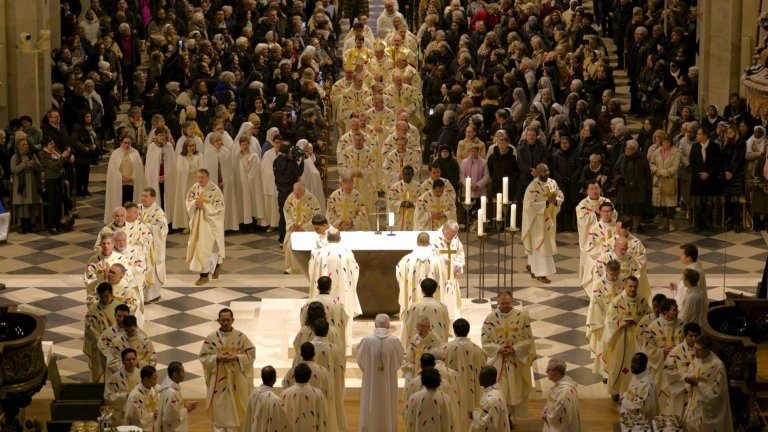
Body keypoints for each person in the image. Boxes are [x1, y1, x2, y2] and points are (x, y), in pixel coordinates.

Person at [481, 290, 536, 420]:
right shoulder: (491, 318)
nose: (505, 305)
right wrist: (499, 348)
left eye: (508, 303)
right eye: (503, 303)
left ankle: (509, 416)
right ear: (498, 302)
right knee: (501, 389)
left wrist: (515, 348)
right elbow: (485, 339)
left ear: (512, 302)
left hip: (516, 359)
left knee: (514, 390)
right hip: (499, 360)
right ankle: (501, 415)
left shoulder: (521, 316)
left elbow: (529, 338)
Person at [198, 308, 256, 432]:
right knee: (221, 407)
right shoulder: (212, 338)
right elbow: (203, 357)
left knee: (238, 405)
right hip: (219, 379)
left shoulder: (240, 336)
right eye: (223, 320)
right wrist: (217, 358)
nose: (225, 322)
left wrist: (236, 357)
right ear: (218, 320)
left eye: (228, 320)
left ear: (232, 320)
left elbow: (251, 354)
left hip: (237, 378)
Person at [602, 276, 652, 401]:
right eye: (630, 286)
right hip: (620, 338)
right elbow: (609, 321)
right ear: (625, 286)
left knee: (635, 365)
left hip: (637, 340)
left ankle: (635, 391)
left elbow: (650, 319)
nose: (633, 289)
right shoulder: (617, 301)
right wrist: (622, 323)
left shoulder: (642, 301)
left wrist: (638, 322)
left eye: (635, 286)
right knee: (617, 365)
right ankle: (616, 391)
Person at [356, 313, 404, 432]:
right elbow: (399, 361)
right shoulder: (395, 341)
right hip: (388, 380)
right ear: (388, 325)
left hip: (371, 380)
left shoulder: (366, 340)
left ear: (375, 325)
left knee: (370, 402)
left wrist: (369, 371)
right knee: (388, 402)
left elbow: (360, 361)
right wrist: (390, 370)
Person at [521, 163, 564, 283]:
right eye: (543, 171)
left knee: (543, 244)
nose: (547, 173)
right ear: (537, 173)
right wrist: (546, 202)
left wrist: (556, 200)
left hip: (549, 218)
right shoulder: (533, 186)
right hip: (537, 220)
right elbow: (529, 206)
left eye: (547, 170)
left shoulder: (552, 183)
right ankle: (541, 273)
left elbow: (560, 195)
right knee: (540, 244)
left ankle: (532, 266)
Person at [682, 336, 734, 431]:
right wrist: (688, 380)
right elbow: (690, 372)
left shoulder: (718, 366)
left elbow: (717, 393)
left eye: (699, 350)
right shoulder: (697, 359)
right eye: (694, 349)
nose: (696, 352)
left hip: (707, 408)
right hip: (693, 403)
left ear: (708, 349)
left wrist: (698, 383)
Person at [308, 229, 361, 321]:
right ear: (340, 238)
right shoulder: (346, 252)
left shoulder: (319, 253)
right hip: (342, 291)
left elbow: (312, 270)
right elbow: (355, 270)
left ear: (327, 238)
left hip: (323, 293)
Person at [445, 318, 486, 432]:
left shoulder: (445, 348)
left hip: (453, 387)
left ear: (454, 331)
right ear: (468, 330)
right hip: (472, 388)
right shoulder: (477, 350)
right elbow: (484, 368)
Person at [185, 169, 225, 286]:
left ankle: (204, 275)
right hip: (197, 222)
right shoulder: (194, 187)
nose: (200, 180)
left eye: (202, 177)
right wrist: (194, 204)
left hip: (209, 223)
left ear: (208, 178)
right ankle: (216, 265)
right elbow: (188, 200)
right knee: (200, 246)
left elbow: (219, 207)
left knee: (207, 247)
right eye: (198, 177)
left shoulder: (215, 190)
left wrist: (205, 206)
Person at [396, 232, 448, 316]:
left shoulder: (406, 260)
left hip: (412, 299)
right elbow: (444, 279)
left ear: (417, 243)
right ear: (429, 243)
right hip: (432, 303)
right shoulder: (438, 261)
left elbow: (399, 276)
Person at [585, 259, 622, 374]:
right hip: (604, 322)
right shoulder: (599, 285)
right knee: (604, 347)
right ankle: (605, 373)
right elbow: (596, 305)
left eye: (617, 274)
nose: (615, 277)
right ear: (606, 271)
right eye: (612, 274)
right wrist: (605, 321)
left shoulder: (622, 282)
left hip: (619, 322)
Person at [202, 131, 240, 232]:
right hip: (213, 183)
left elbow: (229, 169)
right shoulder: (208, 154)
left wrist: (226, 180)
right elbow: (206, 170)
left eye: (220, 140)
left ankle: (226, 225)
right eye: (217, 141)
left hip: (225, 182)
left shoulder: (226, 152)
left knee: (225, 203)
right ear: (212, 142)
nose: (219, 142)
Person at [641, 298, 683, 385]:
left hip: (678, 366)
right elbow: (647, 348)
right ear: (665, 312)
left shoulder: (682, 324)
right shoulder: (653, 327)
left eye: (677, 308)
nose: (678, 311)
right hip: (660, 366)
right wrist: (661, 352)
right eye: (674, 310)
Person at [576, 181, 612, 279]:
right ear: (587, 191)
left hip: (605, 238)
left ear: (600, 189)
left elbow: (615, 215)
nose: (595, 191)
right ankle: (588, 280)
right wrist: (596, 214)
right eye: (592, 189)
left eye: (596, 188)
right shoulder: (582, 205)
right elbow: (583, 222)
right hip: (590, 240)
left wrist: (600, 212)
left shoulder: (606, 201)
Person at [105, 135, 145, 224]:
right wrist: (121, 177)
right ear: (121, 143)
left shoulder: (135, 153)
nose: (127, 145)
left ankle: (131, 221)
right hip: (120, 184)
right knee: (121, 204)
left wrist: (132, 177)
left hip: (132, 184)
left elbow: (139, 169)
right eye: (125, 143)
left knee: (131, 204)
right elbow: (112, 170)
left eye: (129, 143)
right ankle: (120, 222)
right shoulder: (115, 154)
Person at [283, 182, 322, 274]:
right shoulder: (290, 198)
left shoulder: (312, 199)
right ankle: (292, 268)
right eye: (295, 192)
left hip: (307, 230)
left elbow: (317, 216)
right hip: (294, 229)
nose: (296, 195)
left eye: (299, 193)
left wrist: (304, 227)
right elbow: (286, 212)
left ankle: (306, 267)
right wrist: (291, 224)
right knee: (289, 244)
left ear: (304, 190)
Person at [689, 128, 723, 232]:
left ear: (705, 136)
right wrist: (701, 173)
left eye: (699, 134)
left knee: (709, 202)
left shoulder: (715, 147)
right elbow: (692, 162)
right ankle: (698, 223)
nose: (697, 136)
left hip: (711, 178)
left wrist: (708, 173)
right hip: (698, 179)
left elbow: (717, 163)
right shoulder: (695, 146)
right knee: (698, 202)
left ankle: (707, 221)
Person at [301, 277, 350, 350]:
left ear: (317, 287)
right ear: (330, 288)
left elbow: (303, 321)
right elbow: (343, 323)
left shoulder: (309, 304)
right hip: (332, 340)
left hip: (311, 343)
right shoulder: (337, 305)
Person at [38, 136, 73, 235]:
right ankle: (50, 225)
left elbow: (64, 162)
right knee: (52, 204)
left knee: (58, 203)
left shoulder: (54, 152)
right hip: (51, 181)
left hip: (58, 179)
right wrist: (62, 157)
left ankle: (58, 224)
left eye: (53, 143)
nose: (53, 145)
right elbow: (54, 166)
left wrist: (68, 154)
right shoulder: (43, 155)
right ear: (45, 146)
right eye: (50, 144)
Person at [400, 278, 450, 347]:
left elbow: (408, 326)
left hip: (417, 346)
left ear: (422, 290)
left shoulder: (414, 307)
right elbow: (446, 326)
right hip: (436, 347)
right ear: (435, 290)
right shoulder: (442, 307)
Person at [138, 188, 168, 303]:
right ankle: (140, 294)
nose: (143, 198)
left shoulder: (158, 212)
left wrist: (147, 226)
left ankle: (152, 295)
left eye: (146, 196)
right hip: (140, 246)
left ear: (153, 198)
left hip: (153, 247)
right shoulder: (138, 208)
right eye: (142, 195)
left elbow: (163, 230)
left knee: (153, 269)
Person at [10, 132, 43, 233]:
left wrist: (34, 164)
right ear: (19, 147)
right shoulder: (15, 157)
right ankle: (22, 225)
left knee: (31, 205)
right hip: (21, 186)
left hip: (32, 185)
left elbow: (40, 167)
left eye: (27, 144)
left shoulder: (32, 155)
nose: (26, 146)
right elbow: (14, 169)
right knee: (22, 205)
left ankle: (31, 224)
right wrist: (24, 164)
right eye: (23, 145)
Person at [280, 363, 328, 431]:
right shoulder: (318, 394)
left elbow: (281, 419)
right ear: (309, 376)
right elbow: (324, 413)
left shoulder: (284, 394)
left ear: (294, 376)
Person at [232, 135, 266, 231]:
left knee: (253, 202)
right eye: (243, 144)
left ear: (249, 144)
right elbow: (237, 169)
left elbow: (255, 170)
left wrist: (249, 180)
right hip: (242, 184)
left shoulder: (254, 155)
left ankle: (253, 223)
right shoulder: (238, 156)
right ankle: (245, 222)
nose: (245, 146)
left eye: (246, 144)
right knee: (244, 202)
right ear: (240, 145)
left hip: (253, 184)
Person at [273, 143, 305, 243]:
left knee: (283, 216)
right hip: (291, 193)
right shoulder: (291, 162)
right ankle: (292, 238)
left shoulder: (275, 161)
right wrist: (302, 161)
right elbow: (298, 173)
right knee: (293, 215)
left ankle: (282, 238)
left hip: (281, 192)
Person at [242, 366, 291, 432]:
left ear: (262, 377)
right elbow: (283, 424)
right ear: (274, 379)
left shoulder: (253, 394)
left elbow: (248, 420)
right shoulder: (275, 400)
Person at [84, 283, 116, 382]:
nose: (104, 299)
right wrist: (102, 341)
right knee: (100, 374)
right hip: (99, 346)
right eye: (101, 297)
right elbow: (90, 328)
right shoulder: (92, 311)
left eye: (106, 296)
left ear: (111, 294)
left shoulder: (118, 307)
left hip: (115, 344)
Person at [170, 138, 203, 231]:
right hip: (186, 183)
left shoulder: (199, 155)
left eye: (193, 145)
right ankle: (187, 224)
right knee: (187, 203)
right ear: (186, 146)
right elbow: (180, 170)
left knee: (197, 202)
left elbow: (201, 167)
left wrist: (194, 171)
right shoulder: (182, 157)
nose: (192, 147)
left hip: (196, 182)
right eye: (190, 146)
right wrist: (192, 170)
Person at [649, 134, 681, 231]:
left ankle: (671, 222)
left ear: (671, 142)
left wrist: (662, 172)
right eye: (664, 142)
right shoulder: (657, 151)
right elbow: (651, 163)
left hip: (669, 180)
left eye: (667, 142)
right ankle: (664, 221)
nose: (666, 144)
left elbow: (675, 167)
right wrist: (655, 170)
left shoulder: (676, 152)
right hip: (658, 180)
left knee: (670, 203)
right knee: (662, 203)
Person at [541, 358, 581, 432]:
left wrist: (547, 416)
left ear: (558, 372)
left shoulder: (564, 391)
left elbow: (558, 414)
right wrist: (546, 409)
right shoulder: (563, 384)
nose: (546, 372)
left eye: (549, 370)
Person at [157, 361, 198, 432]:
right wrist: (187, 409)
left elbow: (174, 408)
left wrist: (184, 405)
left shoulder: (170, 387)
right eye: (182, 372)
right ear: (175, 374)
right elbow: (171, 417)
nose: (184, 374)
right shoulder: (171, 392)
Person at [104, 348, 141, 425]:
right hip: (121, 414)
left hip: (138, 412)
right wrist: (125, 395)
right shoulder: (115, 377)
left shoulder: (142, 375)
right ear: (123, 361)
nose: (131, 362)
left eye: (133, 359)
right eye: (128, 360)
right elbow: (108, 397)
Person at [144, 127, 176, 212]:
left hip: (167, 177)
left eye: (164, 135)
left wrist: (167, 176)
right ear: (156, 136)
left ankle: (168, 216)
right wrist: (156, 176)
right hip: (156, 177)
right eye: (160, 135)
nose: (162, 137)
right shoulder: (151, 147)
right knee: (158, 197)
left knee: (167, 197)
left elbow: (172, 165)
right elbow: (150, 166)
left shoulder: (169, 146)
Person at [669, 244, 708, 310]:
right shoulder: (698, 267)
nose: (679, 256)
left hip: (689, 308)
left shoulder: (690, 272)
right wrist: (677, 286)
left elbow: (683, 296)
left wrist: (673, 306)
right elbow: (690, 287)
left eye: (682, 255)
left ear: (689, 258)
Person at [619, 353, 657, 419]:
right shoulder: (637, 375)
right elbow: (630, 391)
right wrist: (624, 396)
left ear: (644, 365)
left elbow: (641, 407)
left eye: (636, 363)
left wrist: (623, 402)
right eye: (632, 362)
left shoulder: (647, 383)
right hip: (630, 414)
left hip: (643, 421)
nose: (632, 366)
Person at [124, 365, 159, 431]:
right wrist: (152, 415)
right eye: (154, 379)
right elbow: (134, 418)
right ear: (146, 379)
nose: (156, 381)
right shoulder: (135, 396)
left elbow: (154, 405)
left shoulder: (151, 389)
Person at [387, 165, 419, 230]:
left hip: (413, 215)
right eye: (405, 174)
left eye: (409, 174)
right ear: (402, 175)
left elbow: (422, 201)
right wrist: (401, 203)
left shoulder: (418, 187)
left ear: (412, 174)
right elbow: (391, 200)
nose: (407, 176)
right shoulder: (395, 187)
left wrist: (413, 204)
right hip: (400, 217)